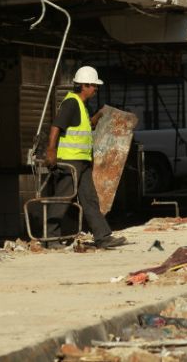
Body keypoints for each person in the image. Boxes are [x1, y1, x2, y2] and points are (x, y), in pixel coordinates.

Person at [44, 66, 127, 249]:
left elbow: (81, 127)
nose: (95, 89)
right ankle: (50, 239)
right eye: (94, 86)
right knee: (63, 198)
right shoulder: (71, 103)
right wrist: (51, 151)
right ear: (84, 86)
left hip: (81, 161)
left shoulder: (81, 105)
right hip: (69, 161)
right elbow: (56, 126)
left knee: (90, 198)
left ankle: (103, 237)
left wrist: (96, 117)